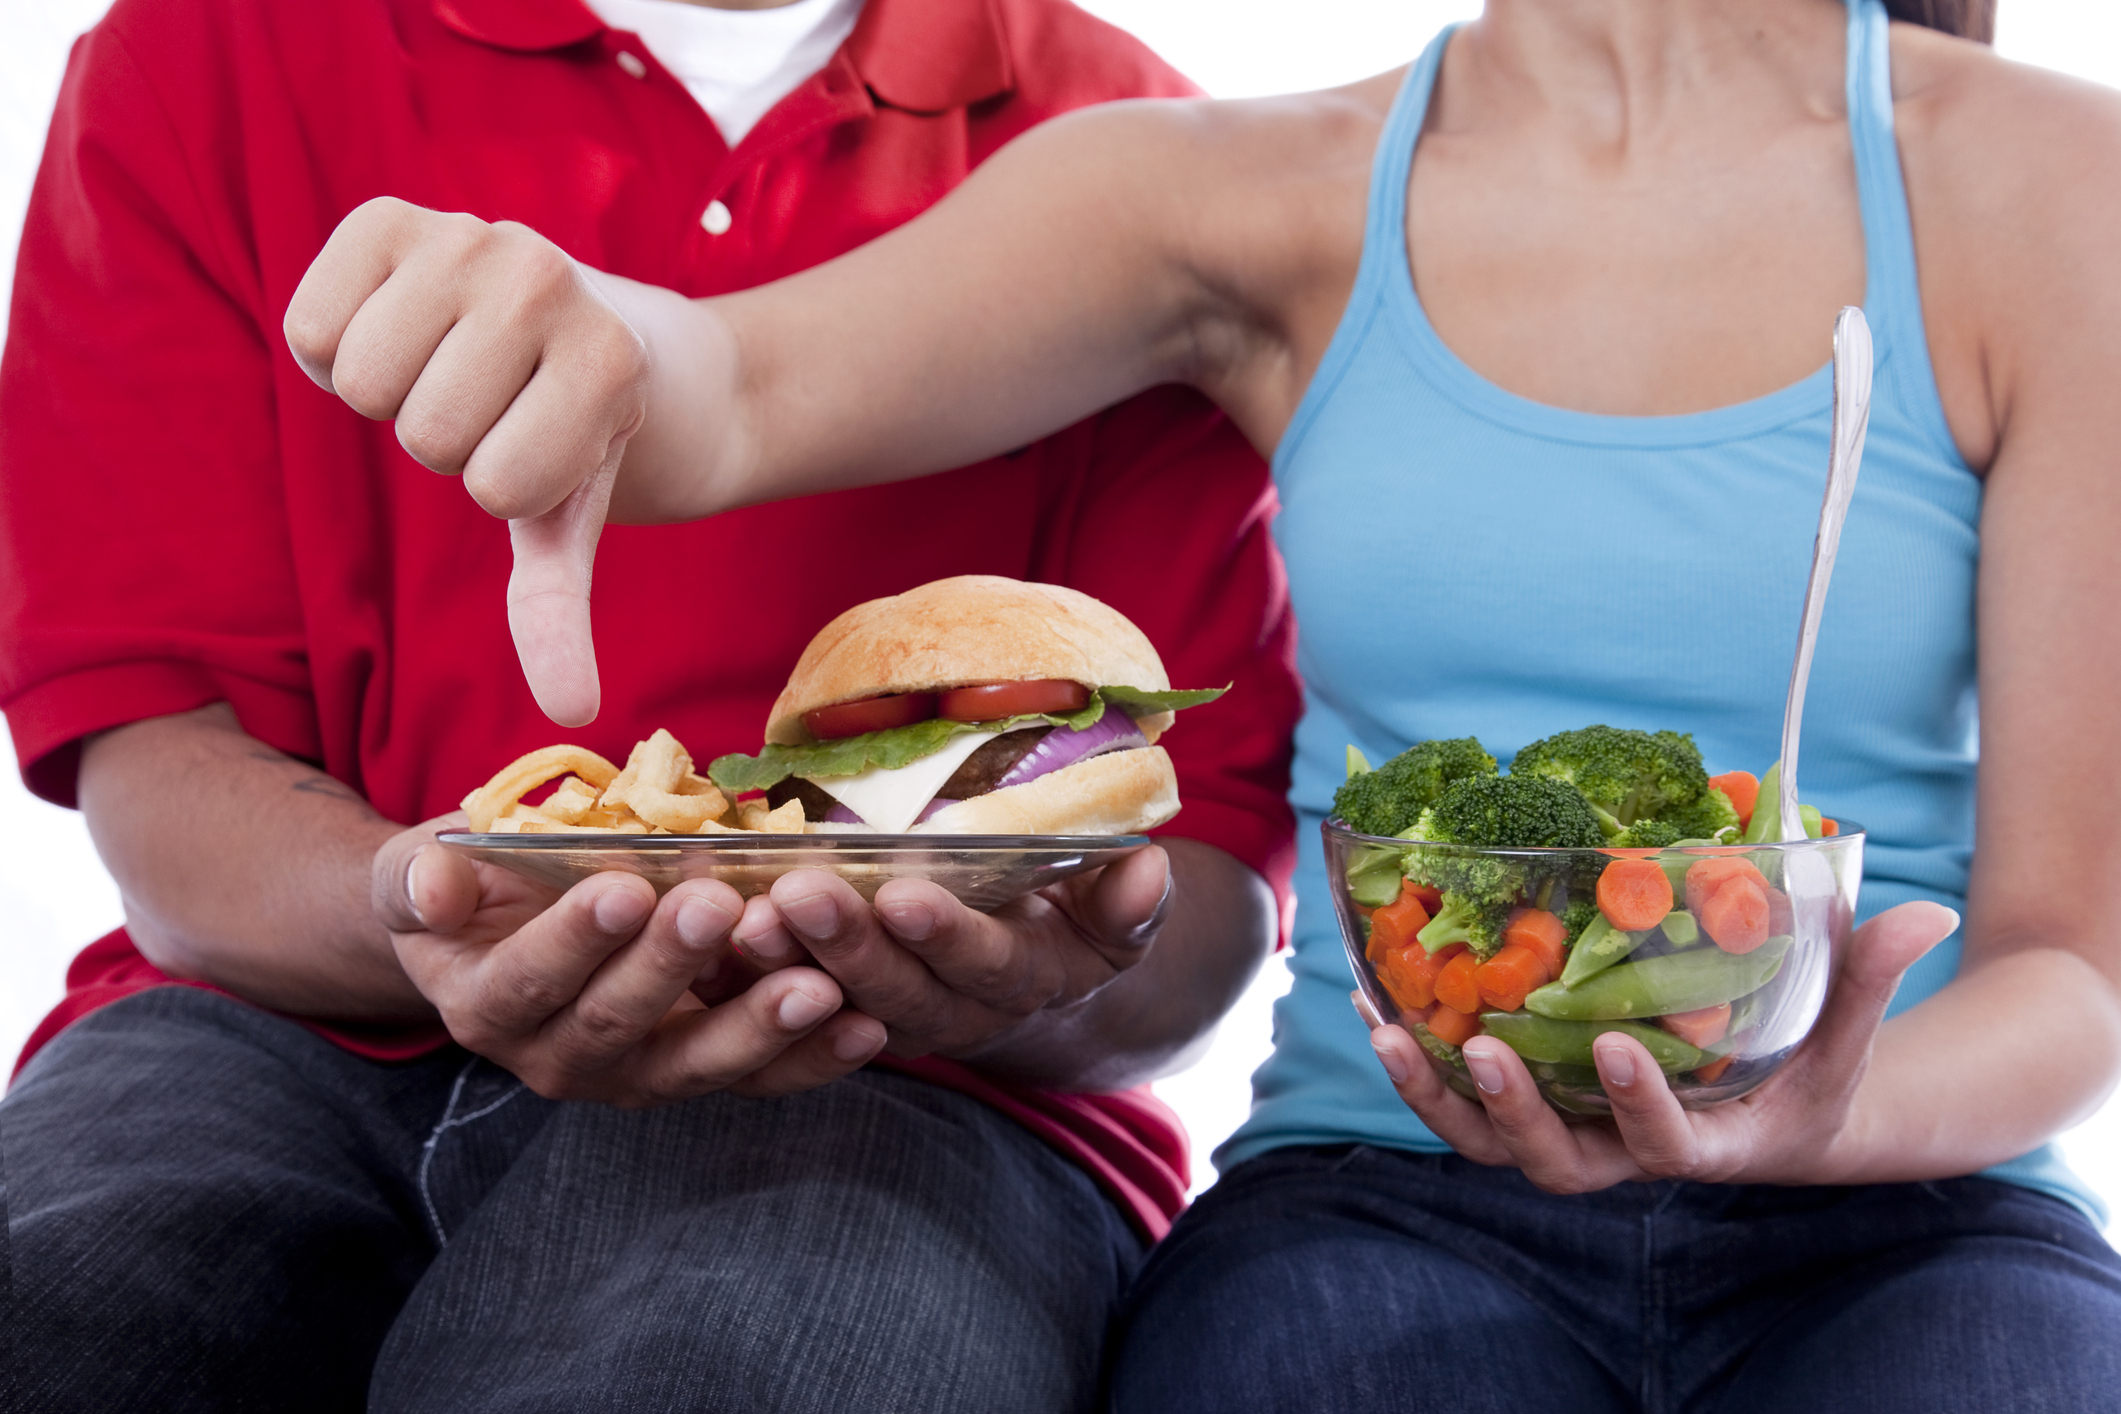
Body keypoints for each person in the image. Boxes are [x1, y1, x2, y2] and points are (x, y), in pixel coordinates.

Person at [285, 0, 2121, 1408]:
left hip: (1919, 1204)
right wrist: (577, 335)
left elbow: (2072, 965)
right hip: (1381, 1198)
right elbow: (738, 381)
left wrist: (1810, 1119)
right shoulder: (1244, 192)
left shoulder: (2058, 190)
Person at [0, 0, 1304, 1409]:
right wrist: (437, 896)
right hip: (267, 1023)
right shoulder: (204, 56)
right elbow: (159, 763)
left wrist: (1017, 978)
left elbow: (1204, 888)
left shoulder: (1143, 154)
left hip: (914, 1085)